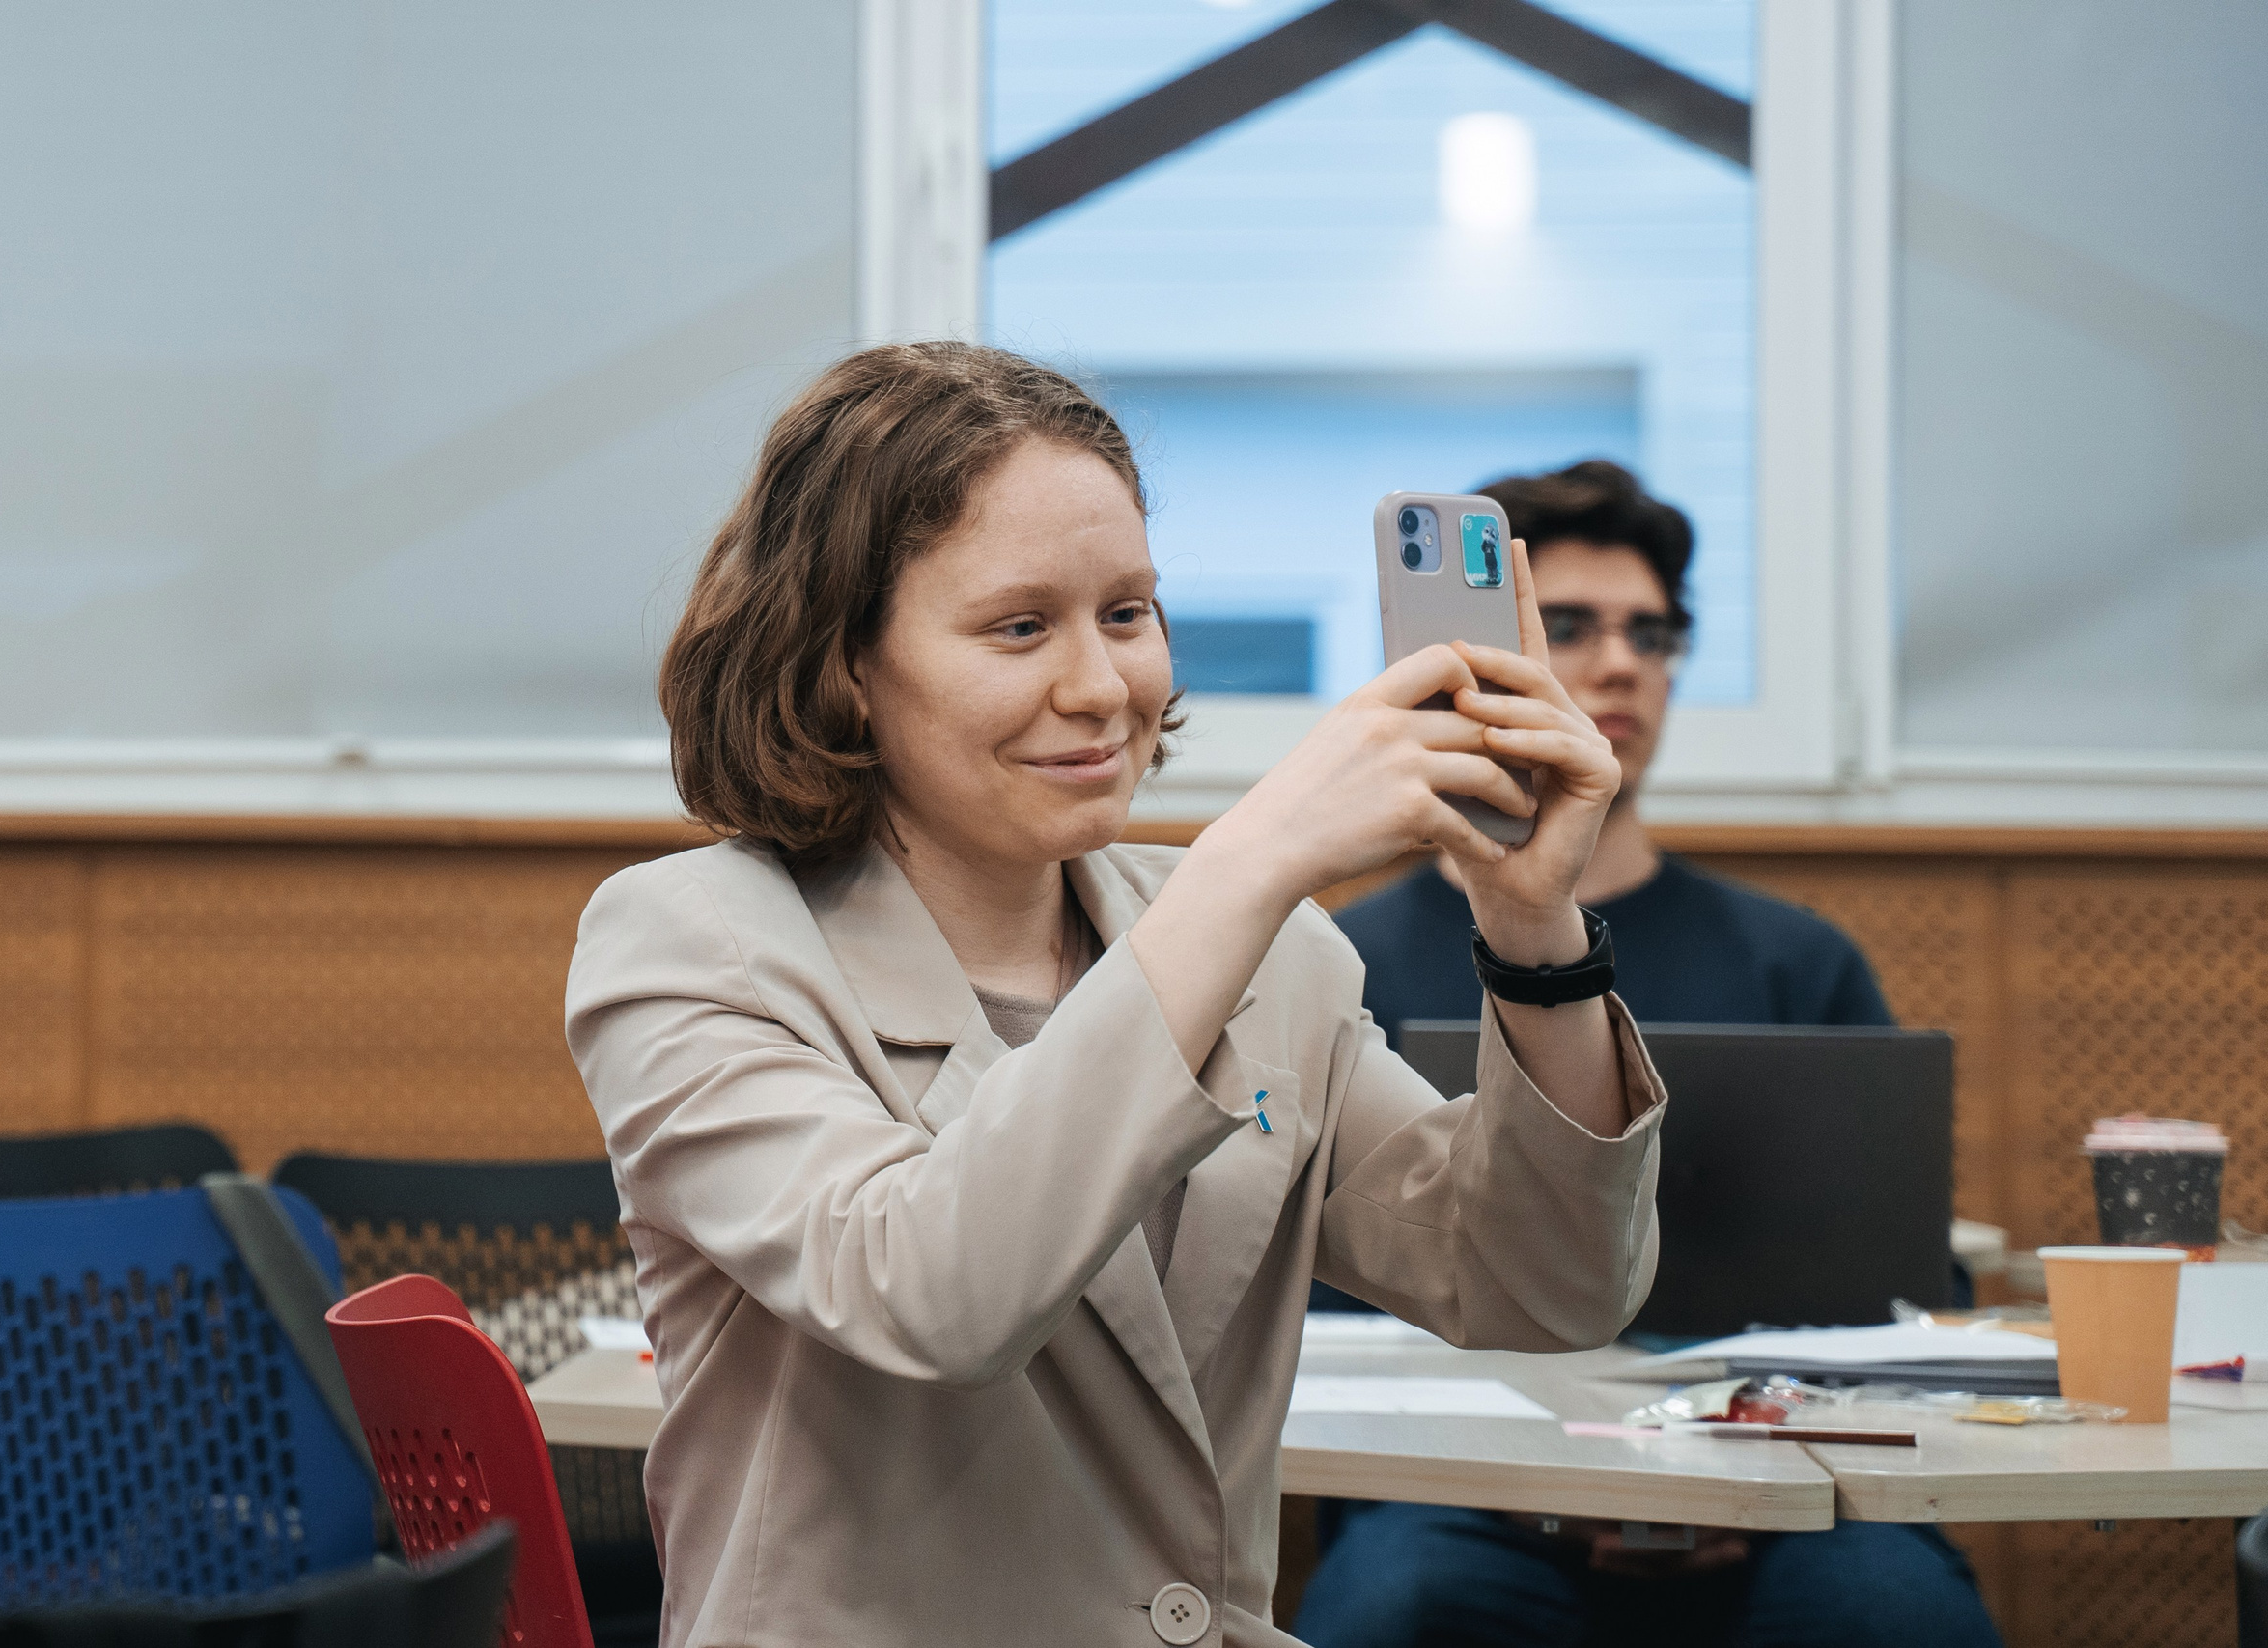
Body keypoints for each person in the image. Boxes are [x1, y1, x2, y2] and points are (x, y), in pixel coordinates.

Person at [565, 345, 1669, 1647]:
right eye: (1019, 625)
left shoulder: (1266, 951)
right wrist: (1253, 857)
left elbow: (1545, 1287)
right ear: (847, 661)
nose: (1102, 686)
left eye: (1129, 612)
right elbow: (928, 1287)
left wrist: (1535, 924)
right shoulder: (692, 941)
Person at [1294, 459, 2000, 1648]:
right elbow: (1301, 1307)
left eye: (1652, 633)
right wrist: (1541, 1482)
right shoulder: (1338, 963)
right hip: (1465, 1497)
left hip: (1785, 1489)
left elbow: (1912, 1297)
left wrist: (1742, 1465)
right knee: (1393, 1607)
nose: (1620, 663)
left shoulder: (1796, 960)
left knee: (1904, 1619)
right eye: (1566, 627)